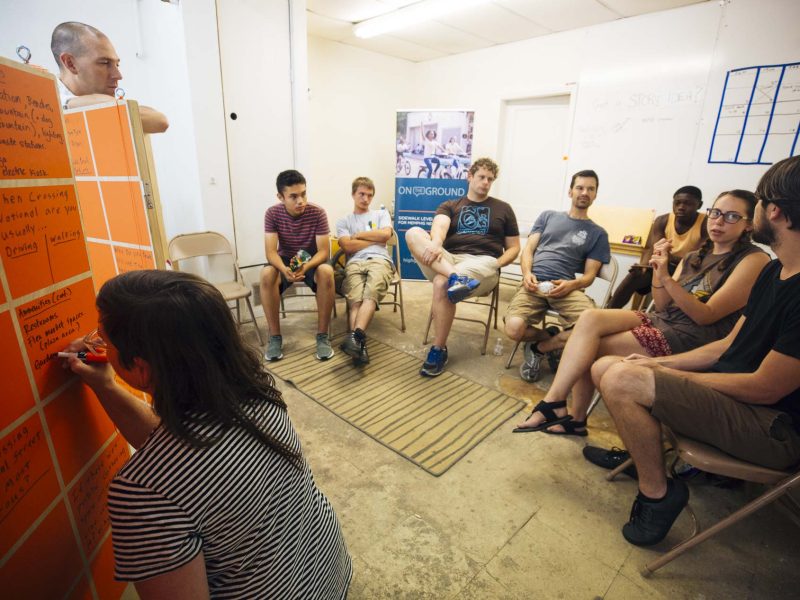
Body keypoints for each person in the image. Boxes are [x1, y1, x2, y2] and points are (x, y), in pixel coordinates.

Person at [63, 270, 351, 598]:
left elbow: (173, 473)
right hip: (326, 573)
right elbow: (182, 453)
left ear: (141, 369)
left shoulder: (142, 493)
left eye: (101, 334)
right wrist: (106, 384)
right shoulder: (257, 393)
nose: (95, 343)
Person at [584, 157, 800, 549]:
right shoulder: (775, 270)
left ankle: (657, 493)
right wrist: (655, 363)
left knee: (621, 377)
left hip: (773, 427)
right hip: (737, 398)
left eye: (745, 211)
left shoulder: (772, 272)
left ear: (774, 211)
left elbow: (765, 388)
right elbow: (727, 344)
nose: (721, 221)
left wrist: (665, 376)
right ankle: (645, 458)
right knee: (608, 365)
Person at [514, 189, 770, 436]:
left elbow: (706, 315)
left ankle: (567, 414)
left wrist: (667, 278)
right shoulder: (694, 255)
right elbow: (662, 306)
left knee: (591, 346)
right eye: (715, 213)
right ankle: (560, 405)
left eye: (732, 216)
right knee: (589, 319)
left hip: (693, 335)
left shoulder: (754, 260)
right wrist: (659, 271)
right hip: (666, 320)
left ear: (749, 225)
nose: (719, 221)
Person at [405, 157, 520, 376]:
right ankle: (457, 277)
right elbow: (440, 225)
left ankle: (438, 349)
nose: (486, 182)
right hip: (448, 260)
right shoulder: (450, 205)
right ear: (470, 176)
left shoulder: (503, 209)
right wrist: (437, 244)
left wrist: (496, 264)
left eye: (490, 179)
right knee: (413, 233)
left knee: (441, 282)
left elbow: (514, 248)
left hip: (483, 264)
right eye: (481, 177)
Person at [504, 170, 611, 383]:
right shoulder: (548, 216)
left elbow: (589, 275)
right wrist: (527, 274)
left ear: (596, 195)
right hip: (533, 284)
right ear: (570, 191)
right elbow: (529, 250)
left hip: (566, 288)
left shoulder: (598, 233)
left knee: (594, 328)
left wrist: (573, 284)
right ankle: (551, 336)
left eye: (591, 189)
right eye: (580, 187)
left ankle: (540, 348)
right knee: (513, 328)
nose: (584, 192)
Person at [260, 170, 336, 361]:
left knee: (327, 271)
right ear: (280, 197)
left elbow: (324, 252)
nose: (300, 201)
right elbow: (270, 252)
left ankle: (322, 336)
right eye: (293, 196)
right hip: (285, 260)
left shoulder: (317, 213)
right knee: (266, 274)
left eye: (303, 194)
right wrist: (284, 269)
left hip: (311, 259)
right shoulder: (272, 214)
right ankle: (275, 337)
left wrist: (307, 266)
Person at [51, 22, 168, 134]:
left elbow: (159, 121)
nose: (118, 75)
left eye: (117, 65)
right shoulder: (45, 107)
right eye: (104, 63)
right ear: (70, 63)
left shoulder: (71, 102)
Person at [608, 186, 707, 309]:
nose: (681, 207)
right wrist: (644, 266)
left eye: (687, 203)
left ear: (699, 204)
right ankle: (608, 311)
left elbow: (695, 260)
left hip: (687, 272)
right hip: (663, 266)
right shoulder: (663, 220)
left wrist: (667, 257)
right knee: (636, 274)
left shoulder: (706, 224)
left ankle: (657, 321)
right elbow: (657, 252)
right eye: (677, 203)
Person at [335, 177, 394, 365]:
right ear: (353, 194)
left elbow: (385, 235)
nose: (366, 198)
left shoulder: (381, 214)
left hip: (380, 260)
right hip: (354, 263)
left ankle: (356, 340)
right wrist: (374, 239)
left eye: (369, 195)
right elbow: (347, 247)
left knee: (370, 295)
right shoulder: (344, 221)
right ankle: (359, 344)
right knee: (356, 301)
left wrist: (359, 235)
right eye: (361, 194)